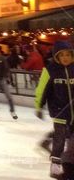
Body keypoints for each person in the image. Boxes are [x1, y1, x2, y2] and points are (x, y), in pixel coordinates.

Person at [35, 39, 74, 180]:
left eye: (68, 55)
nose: (65, 58)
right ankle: (56, 164)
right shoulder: (50, 70)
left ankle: (69, 163)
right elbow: (41, 90)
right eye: (62, 55)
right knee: (60, 138)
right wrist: (38, 105)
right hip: (59, 111)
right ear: (56, 56)